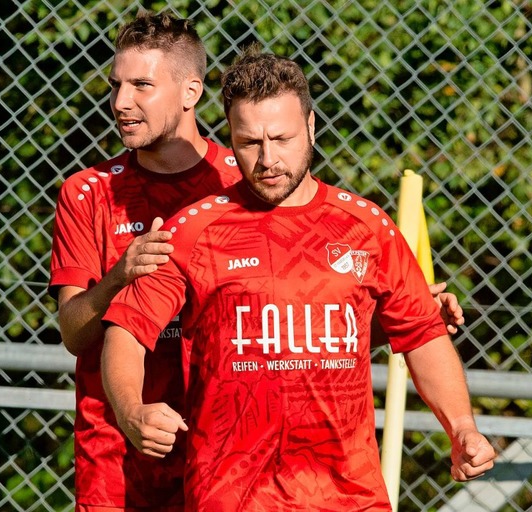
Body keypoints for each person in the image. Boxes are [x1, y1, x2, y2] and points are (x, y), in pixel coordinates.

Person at [100, 48, 495, 511]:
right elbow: (125, 330)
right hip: (231, 495)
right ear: (231, 137)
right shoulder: (194, 230)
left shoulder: (366, 227)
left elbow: (423, 333)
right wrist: (131, 412)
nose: (268, 159)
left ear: (311, 126)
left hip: (350, 495)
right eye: (250, 143)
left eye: (282, 138)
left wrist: (462, 427)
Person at [48, 12, 244, 511]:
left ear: (190, 92)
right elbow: (72, 332)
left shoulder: (240, 186)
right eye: (116, 85)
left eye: (141, 85)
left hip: (228, 453)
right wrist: (120, 276)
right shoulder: (86, 193)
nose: (120, 103)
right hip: (115, 460)